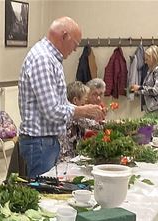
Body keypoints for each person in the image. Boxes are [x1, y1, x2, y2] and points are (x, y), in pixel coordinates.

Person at [18, 16, 104, 178]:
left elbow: (60, 103)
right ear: (65, 36)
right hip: (40, 143)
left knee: (49, 195)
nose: (75, 50)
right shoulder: (42, 59)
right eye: (75, 44)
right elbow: (51, 110)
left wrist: (84, 110)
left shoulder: (51, 59)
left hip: (46, 142)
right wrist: (82, 111)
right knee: (43, 198)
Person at [130, 45, 158, 118]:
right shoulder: (151, 70)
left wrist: (139, 89)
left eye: (147, 59)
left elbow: (155, 90)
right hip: (152, 108)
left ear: (154, 58)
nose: (145, 62)